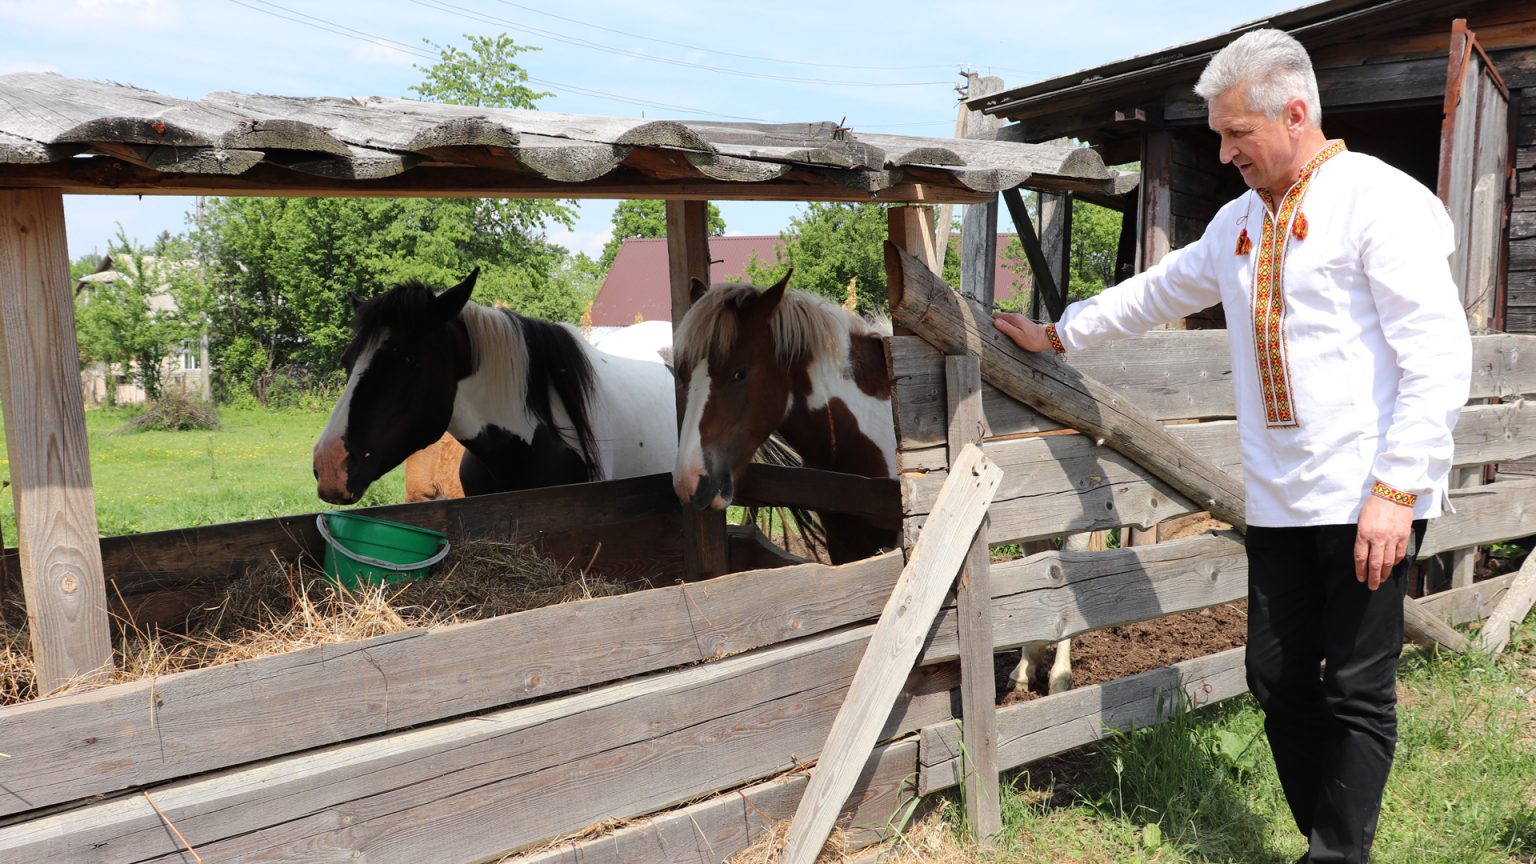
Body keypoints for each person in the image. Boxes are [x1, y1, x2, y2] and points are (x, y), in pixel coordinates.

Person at [992, 28, 1471, 864]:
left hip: (1369, 494)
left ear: (1295, 115)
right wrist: (1060, 332)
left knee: (1356, 687)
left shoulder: (1379, 201)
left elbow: (1436, 356)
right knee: (1276, 678)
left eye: (1237, 132)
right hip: (1280, 498)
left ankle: (1334, 854)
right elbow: (1157, 290)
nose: (1224, 153)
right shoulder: (1238, 224)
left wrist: (1398, 490)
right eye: (1217, 135)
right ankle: (1332, 838)